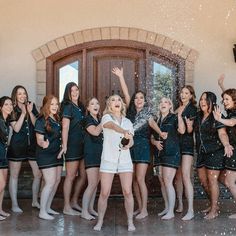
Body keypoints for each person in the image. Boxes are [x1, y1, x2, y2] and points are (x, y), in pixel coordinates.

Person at [112, 67, 166, 219]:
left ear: (144, 100)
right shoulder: (130, 111)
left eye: (141, 98)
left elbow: (151, 123)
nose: (139, 100)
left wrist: (160, 133)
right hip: (130, 148)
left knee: (140, 179)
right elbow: (127, 93)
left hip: (143, 148)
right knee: (134, 179)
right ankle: (138, 206)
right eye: (137, 98)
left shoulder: (147, 112)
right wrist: (121, 76)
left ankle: (144, 209)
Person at [93, 94, 135, 231]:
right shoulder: (106, 118)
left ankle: (130, 222)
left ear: (122, 104)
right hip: (108, 159)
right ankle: (99, 222)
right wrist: (123, 131)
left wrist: (128, 144)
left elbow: (131, 140)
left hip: (125, 161)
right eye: (113, 100)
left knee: (127, 192)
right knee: (104, 193)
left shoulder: (128, 122)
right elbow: (111, 126)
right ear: (109, 105)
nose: (116, 102)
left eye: (119, 100)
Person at [194, 92, 233, 219]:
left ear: (211, 101)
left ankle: (214, 209)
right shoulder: (198, 116)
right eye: (201, 99)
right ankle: (213, 204)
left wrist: (226, 144)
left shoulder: (216, 115)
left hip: (215, 152)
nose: (202, 101)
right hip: (201, 152)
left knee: (212, 181)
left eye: (205, 99)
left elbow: (222, 133)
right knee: (203, 181)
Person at [7, 85, 42, 212]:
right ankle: (14, 204)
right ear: (15, 96)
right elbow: (16, 128)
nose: (23, 96)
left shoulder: (31, 105)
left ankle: (34, 201)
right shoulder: (12, 108)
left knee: (38, 174)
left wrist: (30, 111)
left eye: (24, 93)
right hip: (17, 146)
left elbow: (36, 124)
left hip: (32, 146)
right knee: (14, 175)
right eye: (19, 94)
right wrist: (23, 113)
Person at [151, 97, 185, 220]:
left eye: (166, 102)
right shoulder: (157, 120)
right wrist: (154, 143)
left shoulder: (174, 117)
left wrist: (180, 116)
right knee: (162, 181)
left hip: (171, 153)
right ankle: (166, 207)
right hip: (159, 154)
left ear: (170, 106)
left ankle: (171, 211)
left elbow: (182, 130)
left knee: (168, 181)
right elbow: (152, 137)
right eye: (161, 102)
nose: (163, 104)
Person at [35, 95, 64, 220]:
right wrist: (43, 143)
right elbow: (39, 139)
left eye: (56, 104)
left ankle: (47, 207)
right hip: (45, 155)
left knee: (57, 181)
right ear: (46, 105)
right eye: (52, 104)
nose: (55, 106)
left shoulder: (56, 118)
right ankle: (42, 211)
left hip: (56, 154)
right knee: (50, 182)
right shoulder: (41, 120)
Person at [61, 82, 86, 215]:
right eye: (72, 91)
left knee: (83, 176)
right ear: (68, 93)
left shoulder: (80, 106)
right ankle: (66, 207)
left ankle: (74, 201)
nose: (75, 92)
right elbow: (65, 127)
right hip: (72, 146)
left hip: (83, 145)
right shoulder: (67, 106)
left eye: (77, 89)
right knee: (70, 176)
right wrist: (65, 145)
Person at [174, 85, 197, 220]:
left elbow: (190, 130)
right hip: (176, 146)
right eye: (182, 92)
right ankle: (181, 204)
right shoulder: (177, 108)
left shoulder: (192, 109)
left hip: (187, 146)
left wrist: (189, 126)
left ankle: (191, 210)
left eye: (186, 93)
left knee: (186, 176)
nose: (183, 95)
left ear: (191, 95)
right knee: (177, 177)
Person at [213, 88, 236, 218]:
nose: (224, 101)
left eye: (227, 99)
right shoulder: (231, 111)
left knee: (230, 182)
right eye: (224, 99)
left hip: (235, 150)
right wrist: (221, 86)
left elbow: (232, 122)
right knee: (228, 181)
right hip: (232, 150)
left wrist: (219, 119)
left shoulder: (234, 113)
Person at [81, 97, 103, 220]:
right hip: (91, 154)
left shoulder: (98, 119)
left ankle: (90, 209)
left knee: (95, 184)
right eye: (92, 103)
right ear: (88, 108)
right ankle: (84, 211)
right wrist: (104, 121)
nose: (95, 105)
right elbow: (94, 132)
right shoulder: (87, 119)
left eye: (97, 103)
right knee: (92, 183)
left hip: (100, 155)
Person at [0, 96, 13, 220]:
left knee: (3, 185)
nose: (9, 107)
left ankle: (0, 209)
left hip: (4, 156)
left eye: (10, 104)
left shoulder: (7, 122)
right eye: (6, 105)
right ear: (0, 107)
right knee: (1, 184)